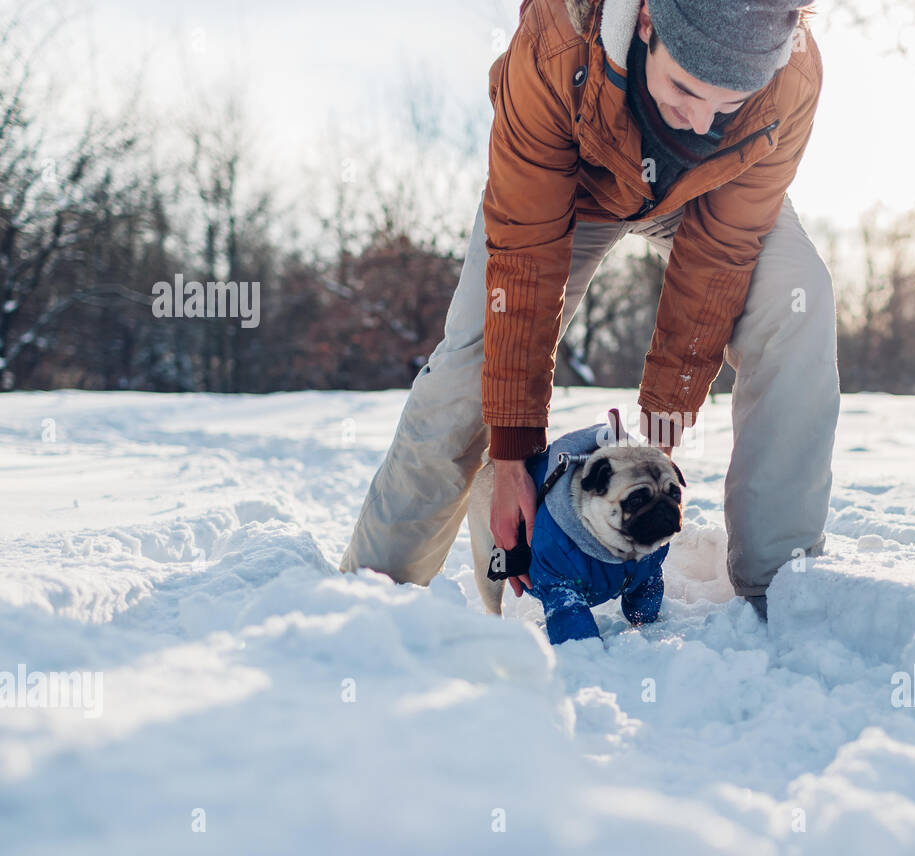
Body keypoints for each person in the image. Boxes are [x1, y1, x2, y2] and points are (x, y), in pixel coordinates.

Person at [339, 0, 840, 622]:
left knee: (799, 300)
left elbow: (720, 256)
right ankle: (370, 593)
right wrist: (514, 452)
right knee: (476, 365)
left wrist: (664, 418)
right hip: (569, 186)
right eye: (685, 87)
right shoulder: (557, 41)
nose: (699, 121)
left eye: (729, 103)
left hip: (702, 198)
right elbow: (522, 265)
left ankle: (780, 587)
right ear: (649, 21)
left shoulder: (790, 76)